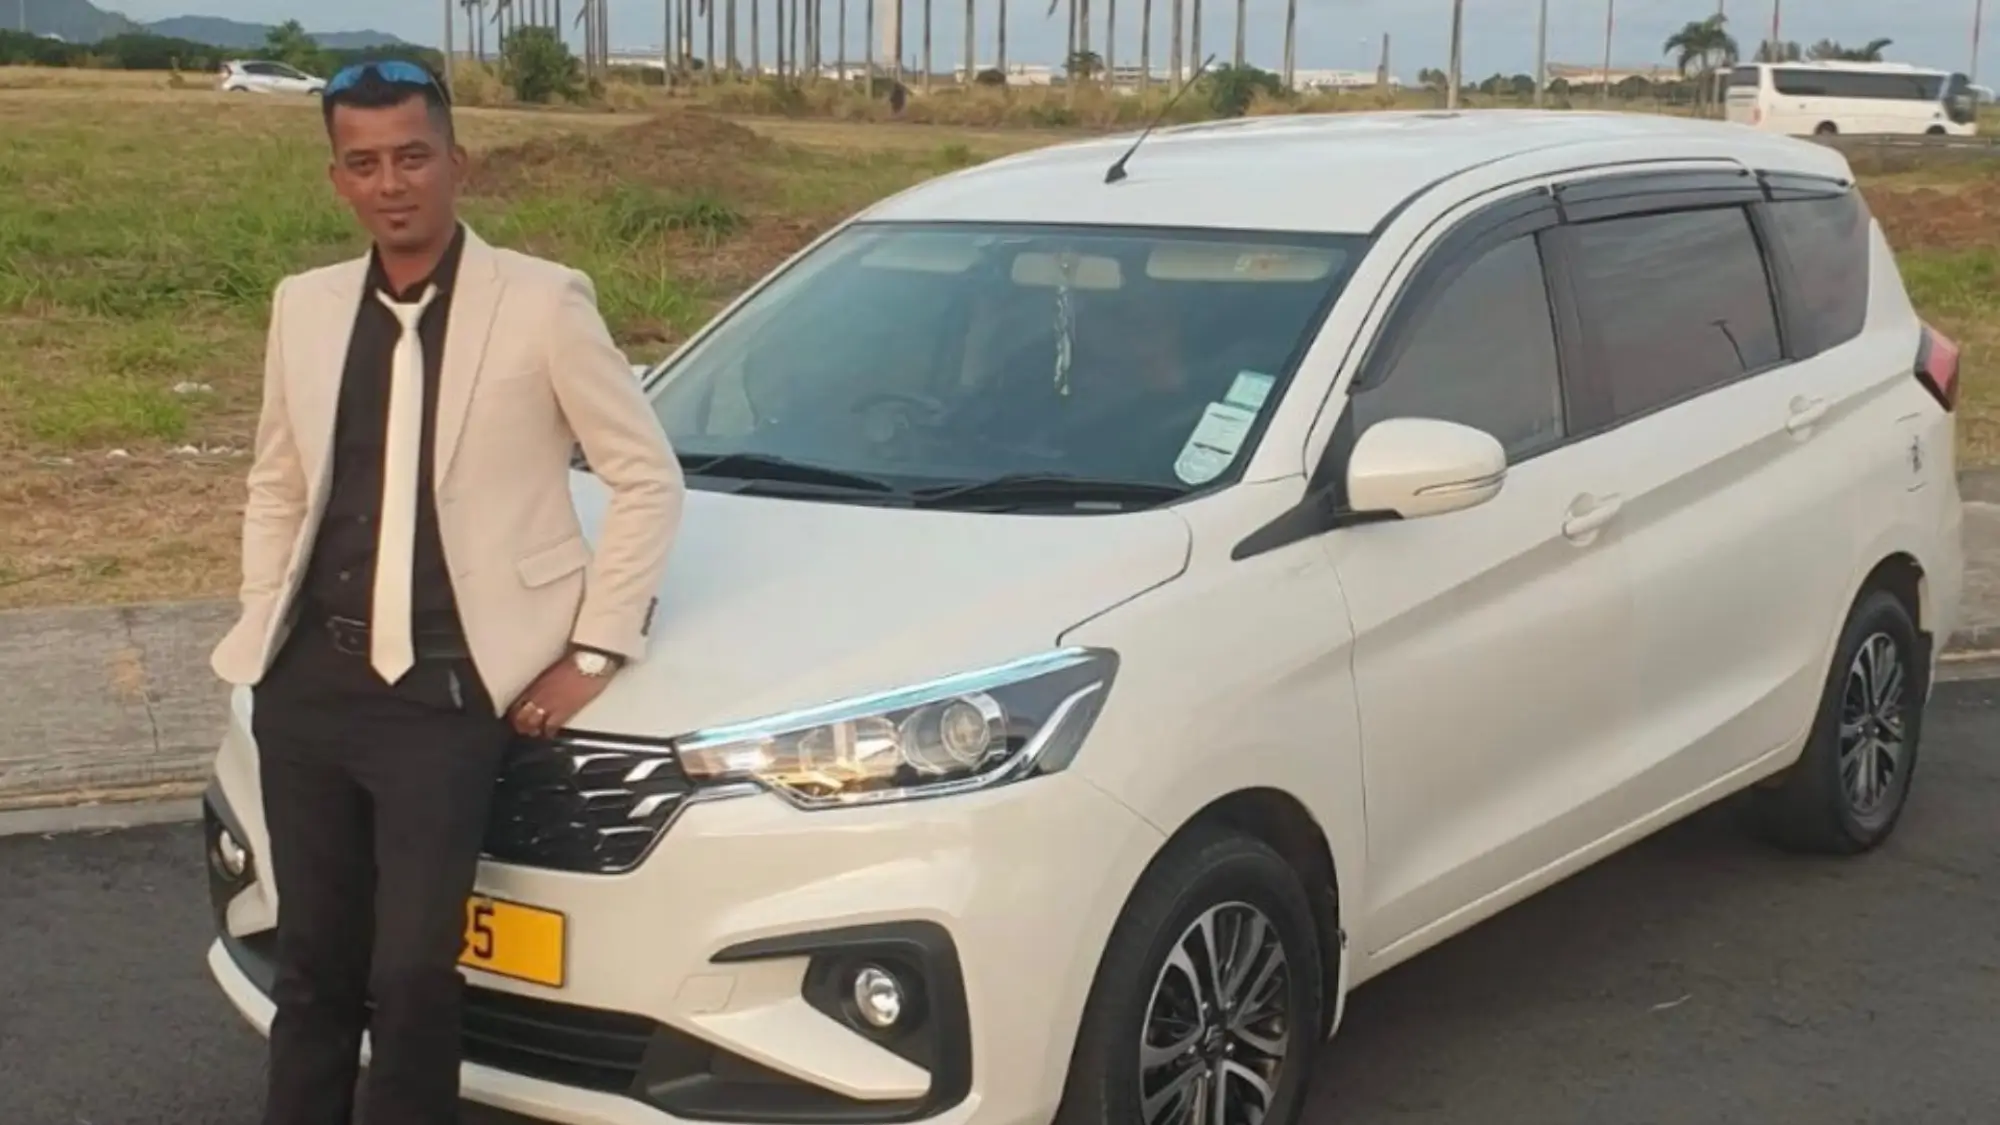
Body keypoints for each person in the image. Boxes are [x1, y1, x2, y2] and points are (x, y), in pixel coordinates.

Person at [207, 60, 683, 1125]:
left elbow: (645, 477)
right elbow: (278, 480)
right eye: (364, 163)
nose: (392, 184)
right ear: (337, 178)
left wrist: (597, 648)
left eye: (413, 157)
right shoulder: (306, 307)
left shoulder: (544, 301)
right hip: (311, 686)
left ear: (456, 163)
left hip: (449, 691)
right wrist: (258, 614)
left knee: (416, 977)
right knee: (314, 965)